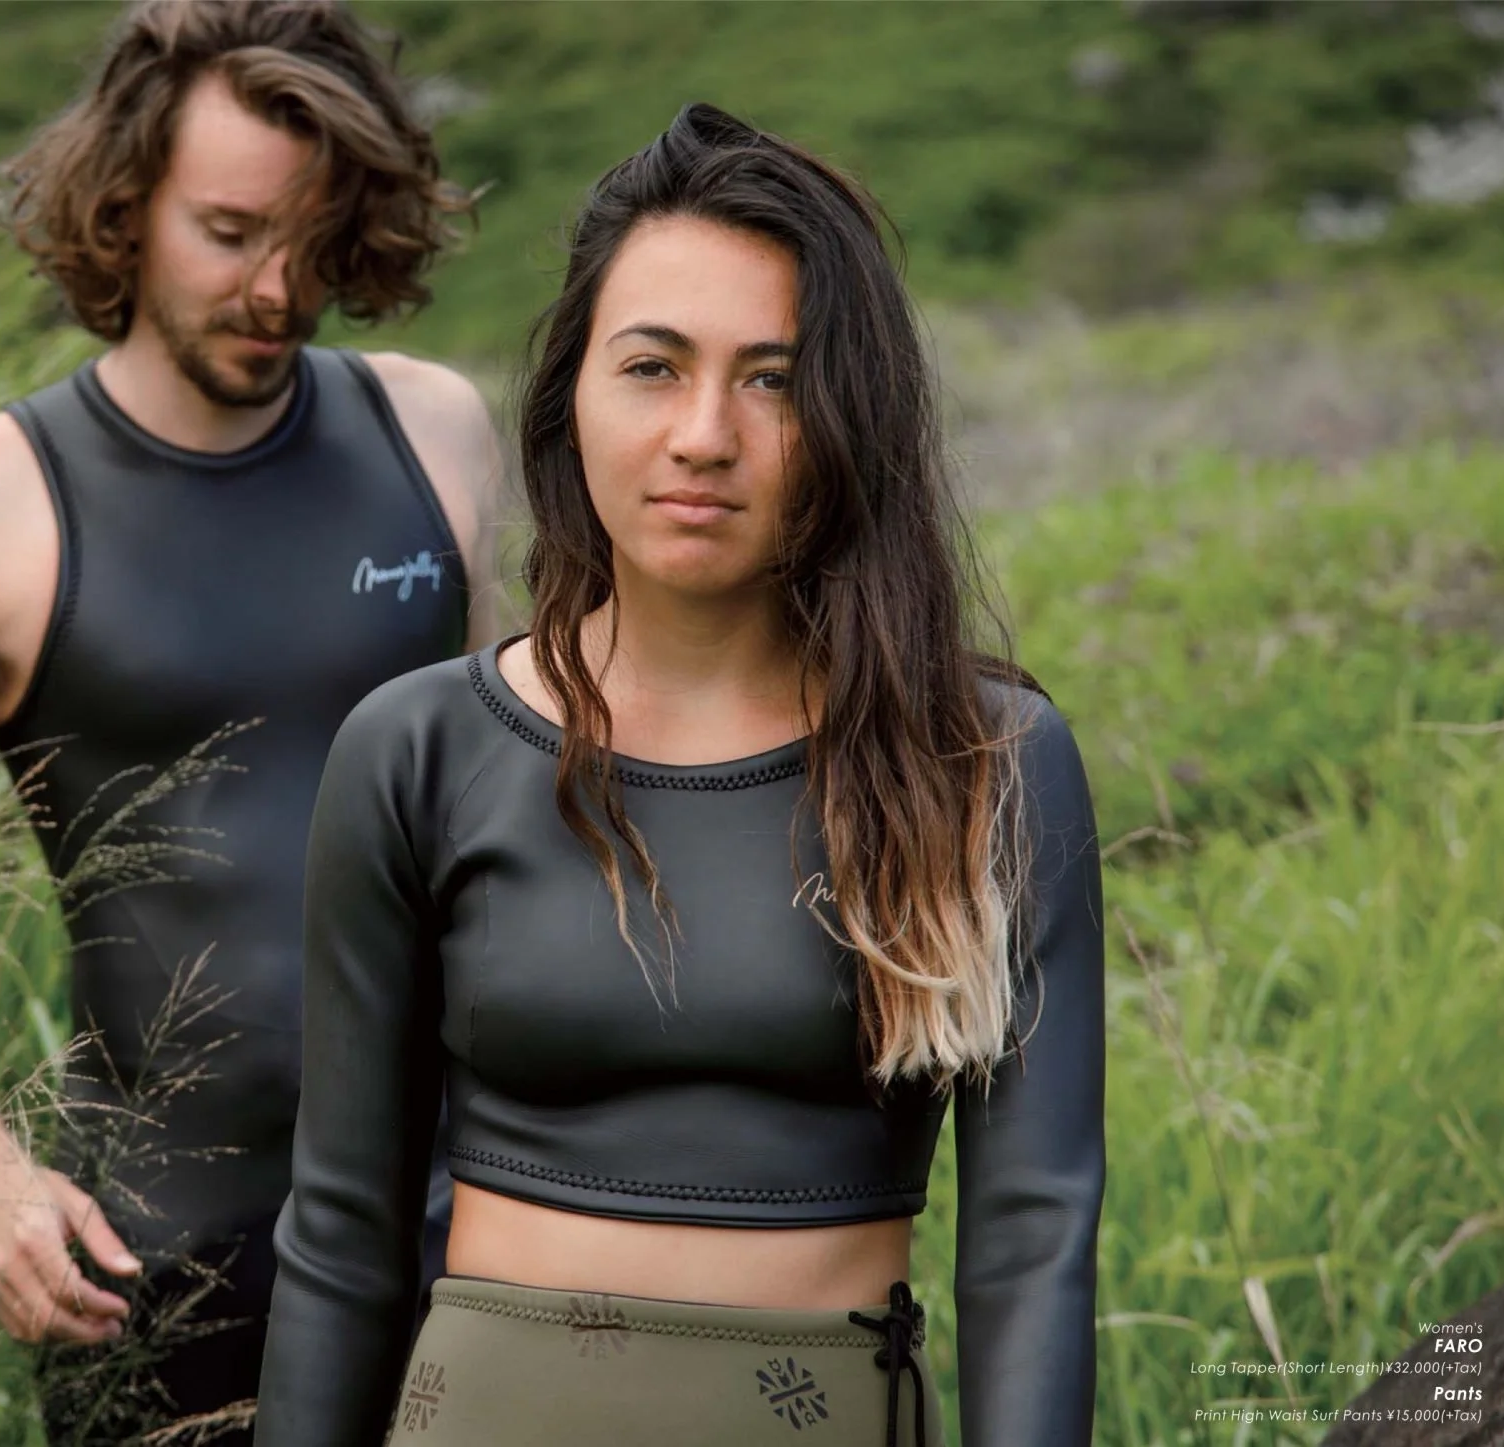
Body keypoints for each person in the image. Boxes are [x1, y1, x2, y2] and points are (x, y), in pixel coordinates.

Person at [256, 103, 1104, 1447]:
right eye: (652, 367)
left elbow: (1031, 1237)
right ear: (572, 395)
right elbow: (344, 1235)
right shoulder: (417, 749)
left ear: (847, 418)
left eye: (771, 378)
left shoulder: (980, 760)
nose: (705, 433)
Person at [0, 3, 498, 1443]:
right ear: (123, 208)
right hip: (160, 1255)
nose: (278, 285)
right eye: (232, 231)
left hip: (475, 1221)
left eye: (314, 239)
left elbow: (525, 787)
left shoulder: (433, 432)